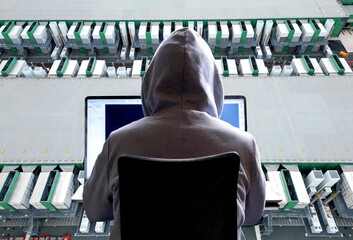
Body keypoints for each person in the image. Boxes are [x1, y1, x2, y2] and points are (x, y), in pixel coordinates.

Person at [83, 27, 265, 240]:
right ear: (213, 82)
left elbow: (95, 212)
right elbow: (252, 216)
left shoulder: (118, 141)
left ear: (151, 81)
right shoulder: (244, 144)